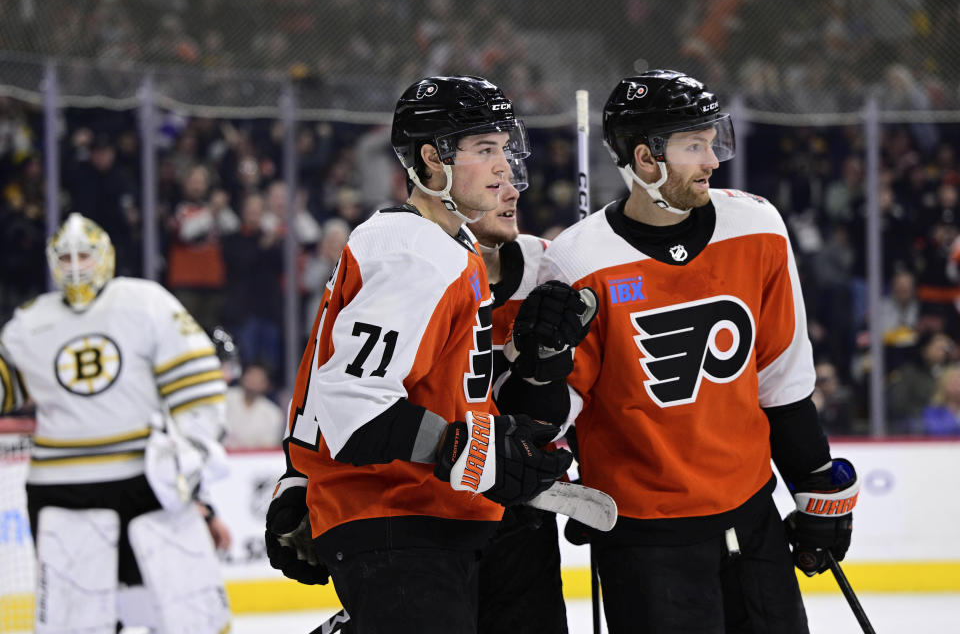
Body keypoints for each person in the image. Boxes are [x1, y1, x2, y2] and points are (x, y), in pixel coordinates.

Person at [520, 70, 860, 633]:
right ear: (646, 159)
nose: (713, 160)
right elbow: (558, 413)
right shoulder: (578, 262)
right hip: (644, 540)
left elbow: (781, 377)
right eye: (694, 146)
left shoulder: (757, 226)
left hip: (754, 520)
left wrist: (815, 478)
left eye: (713, 140)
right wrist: (543, 364)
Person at [263, 76, 582, 634]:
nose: (504, 167)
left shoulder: (436, 249)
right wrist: (474, 450)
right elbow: (353, 404)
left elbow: (329, 384)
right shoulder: (415, 251)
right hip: (397, 521)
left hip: (421, 524)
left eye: (505, 149)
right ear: (432, 160)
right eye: (485, 150)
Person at [0, 213, 231, 633]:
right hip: (63, 488)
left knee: (189, 611)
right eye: (65, 257)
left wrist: (192, 456)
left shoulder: (144, 302)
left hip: (145, 479)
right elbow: (6, 390)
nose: (75, 266)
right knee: (78, 620)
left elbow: (197, 389)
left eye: (83, 255)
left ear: (104, 255)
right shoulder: (29, 323)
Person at [466, 161, 569, 634]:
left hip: (524, 509)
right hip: (434, 509)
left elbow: (580, 393)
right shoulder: (415, 267)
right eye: (494, 184)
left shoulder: (549, 264)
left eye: (512, 182)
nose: (511, 194)